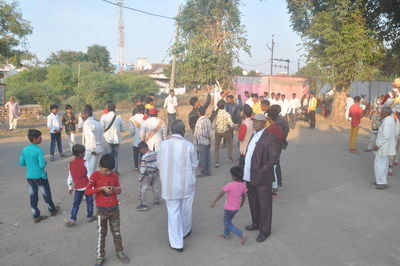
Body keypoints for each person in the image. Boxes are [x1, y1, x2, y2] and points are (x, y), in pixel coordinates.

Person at [157, 120, 199, 252]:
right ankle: (185, 231)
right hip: (186, 184)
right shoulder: (189, 146)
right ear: (183, 131)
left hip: (169, 186)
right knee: (186, 208)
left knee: (173, 212)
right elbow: (194, 165)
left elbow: (158, 164)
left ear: (171, 130)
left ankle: (177, 243)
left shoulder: (162, 145)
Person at [85, 154, 130, 265]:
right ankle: (100, 256)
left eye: (110, 170)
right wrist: (100, 188)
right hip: (101, 211)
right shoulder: (94, 176)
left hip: (114, 209)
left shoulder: (114, 175)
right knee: (101, 234)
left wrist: (115, 189)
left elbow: (119, 190)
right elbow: (87, 191)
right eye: (106, 170)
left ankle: (119, 252)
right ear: (100, 166)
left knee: (116, 232)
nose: (108, 173)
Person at [243, 113, 280, 242]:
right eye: (254, 121)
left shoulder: (269, 137)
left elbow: (274, 157)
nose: (254, 124)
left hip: (262, 177)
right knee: (252, 201)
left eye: (257, 122)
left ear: (264, 123)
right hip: (250, 175)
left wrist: (263, 170)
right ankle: (256, 223)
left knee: (264, 204)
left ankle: (265, 230)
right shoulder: (254, 135)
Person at [19, 129, 60, 223]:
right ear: (35, 139)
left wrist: (30, 164)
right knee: (46, 194)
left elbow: (21, 163)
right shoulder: (38, 150)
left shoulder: (25, 149)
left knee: (33, 195)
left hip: (30, 176)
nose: (41, 138)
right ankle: (52, 210)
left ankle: (36, 215)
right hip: (40, 176)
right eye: (39, 137)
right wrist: (44, 162)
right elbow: (41, 165)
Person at [210, 166, 248, 244]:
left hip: (229, 208)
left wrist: (214, 201)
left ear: (234, 177)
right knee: (228, 221)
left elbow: (221, 194)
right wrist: (242, 203)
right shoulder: (243, 185)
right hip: (236, 208)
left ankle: (241, 234)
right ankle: (226, 235)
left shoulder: (229, 185)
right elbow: (244, 195)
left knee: (227, 223)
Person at [66, 144, 96, 226]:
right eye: (83, 153)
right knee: (89, 202)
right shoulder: (86, 163)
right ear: (80, 154)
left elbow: (70, 176)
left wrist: (70, 186)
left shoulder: (71, 164)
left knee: (76, 204)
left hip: (78, 188)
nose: (84, 154)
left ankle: (72, 219)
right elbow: (90, 176)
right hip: (87, 187)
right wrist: (93, 186)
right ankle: (90, 216)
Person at [373, 106, 396, 189]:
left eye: (382, 112)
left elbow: (386, 136)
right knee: (384, 165)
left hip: (382, 147)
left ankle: (381, 182)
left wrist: (378, 145)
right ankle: (382, 181)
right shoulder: (389, 119)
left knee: (379, 165)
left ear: (386, 113)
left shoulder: (387, 121)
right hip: (385, 147)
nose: (381, 113)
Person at [100, 103, 126, 173]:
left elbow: (101, 129)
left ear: (107, 109)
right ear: (114, 109)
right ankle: (115, 171)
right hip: (116, 140)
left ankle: (109, 171)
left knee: (109, 156)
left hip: (107, 139)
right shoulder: (119, 117)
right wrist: (118, 129)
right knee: (116, 156)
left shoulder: (104, 117)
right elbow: (124, 129)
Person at [136, 142, 161, 211]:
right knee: (156, 186)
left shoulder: (144, 157)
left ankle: (143, 204)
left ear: (144, 148)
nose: (141, 152)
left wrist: (140, 177)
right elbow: (159, 163)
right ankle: (157, 200)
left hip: (147, 175)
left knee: (143, 189)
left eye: (140, 150)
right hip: (155, 173)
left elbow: (143, 168)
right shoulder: (156, 153)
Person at [266, 108, 284, 198]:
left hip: (271, 152)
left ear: (269, 118)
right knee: (274, 169)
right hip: (277, 150)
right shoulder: (279, 127)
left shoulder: (270, 128)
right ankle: (275, 189)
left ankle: (274, 190)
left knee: (272, 171)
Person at [213, 100, 236, 168]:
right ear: (224, 105)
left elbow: (214, 124)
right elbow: (231, 124)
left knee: (216, 147)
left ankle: (216, 162)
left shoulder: (216, 114)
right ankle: (229, 157)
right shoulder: (226, 114)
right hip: (225, 131)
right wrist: (235, 126)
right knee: (230, 142)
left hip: (217, 131)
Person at [81, 105, 103, 172]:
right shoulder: (98, 123)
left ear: (87, 114)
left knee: (89, 169)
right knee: (96, 168)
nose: (81, 116)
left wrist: (93, 150)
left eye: (83, 114)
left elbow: (91, 137)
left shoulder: (86, 124)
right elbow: (102, 136)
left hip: (91, 150)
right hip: (99, 148)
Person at [194, 107, 212, 177]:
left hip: (202, 141)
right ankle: (208, 171)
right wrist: (209, 138)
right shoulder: (207, 120)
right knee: (207, 156)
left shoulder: (201, 121)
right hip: (207, 141)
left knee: (202, 157)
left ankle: (203, 171)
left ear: (198, 113)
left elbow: (203, 133)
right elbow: (210, 131)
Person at [129, 105, 145, 171]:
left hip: (136, 139)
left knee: (135, 154)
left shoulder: (132, 118)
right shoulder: (146, 117)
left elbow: (132, 130)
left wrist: (134, 134)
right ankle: (143, 167)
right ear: (143, 110)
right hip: (144, 139)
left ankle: (136, 167)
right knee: (143, 153)